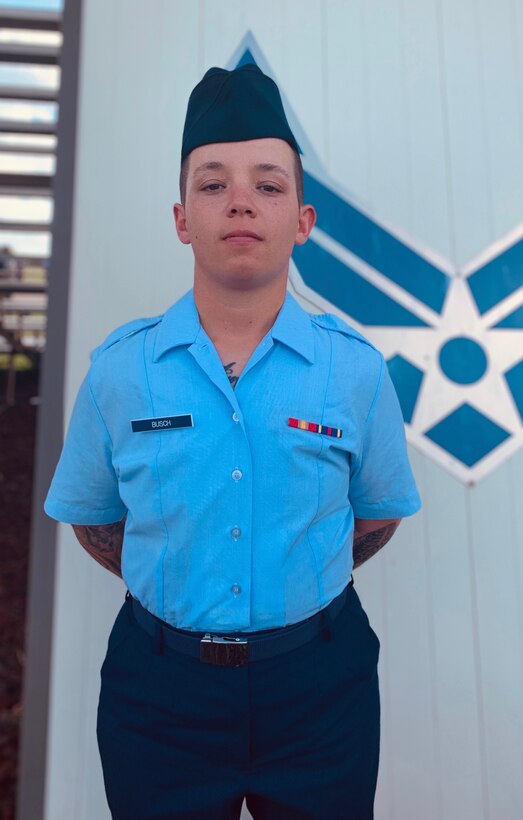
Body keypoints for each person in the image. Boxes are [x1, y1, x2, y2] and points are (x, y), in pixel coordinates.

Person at [44, 63, 422, 820]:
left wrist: (294, 581)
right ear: (182, 218)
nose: (241, 200)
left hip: (320, 690)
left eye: (268, 185)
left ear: (303, 221)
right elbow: (93, 517)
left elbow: (376, 514)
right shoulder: (120, 372)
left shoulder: (353, 371)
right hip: (160, 697)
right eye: (212, 184)